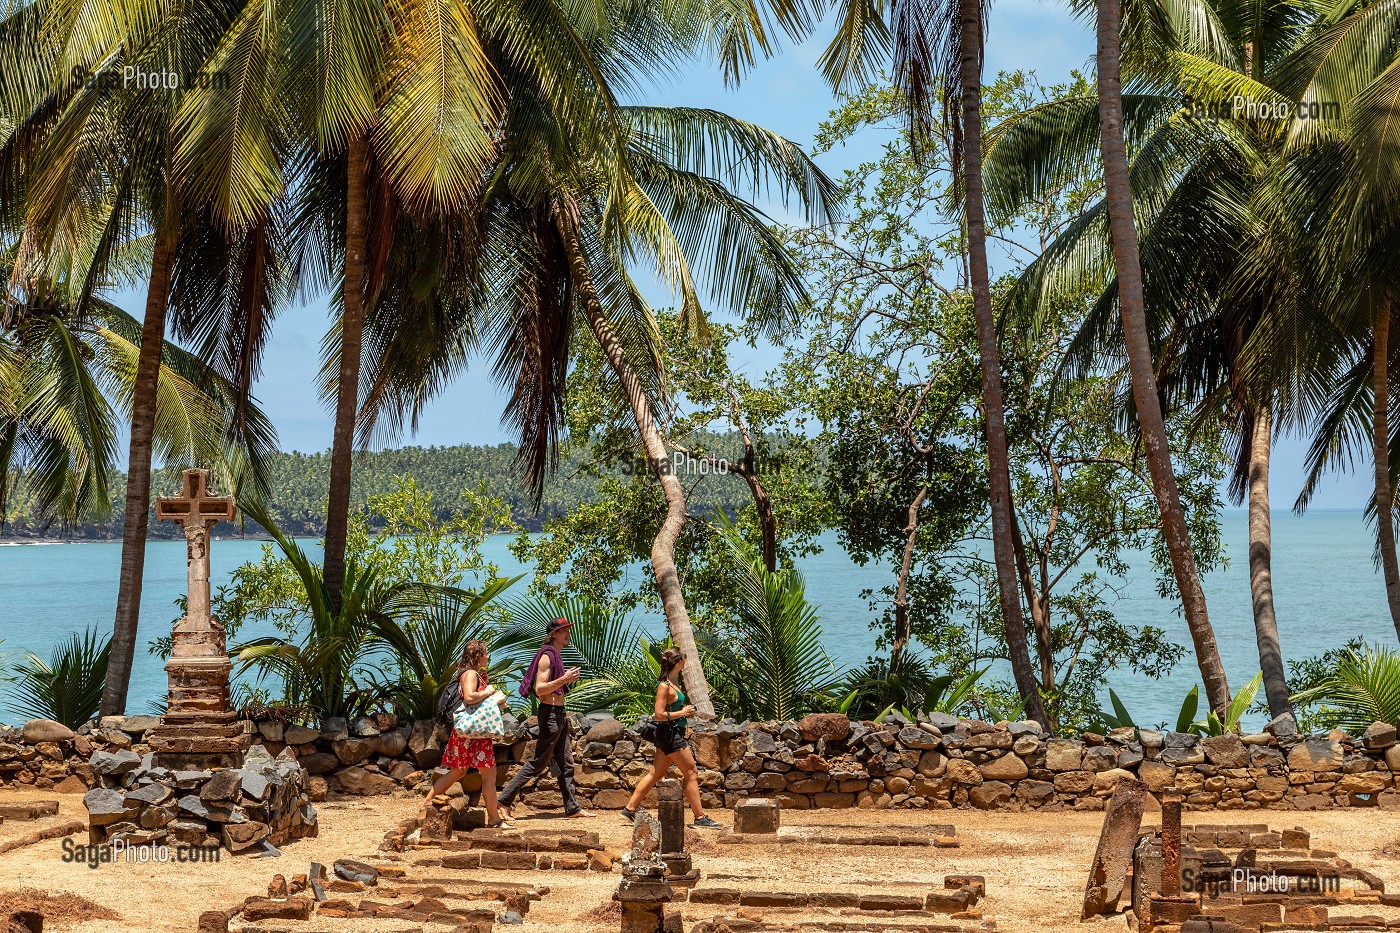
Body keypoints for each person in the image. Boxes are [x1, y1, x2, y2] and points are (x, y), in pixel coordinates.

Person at [498, 617, 595, 819]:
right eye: (564, 630)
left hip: (558, 713)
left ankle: (572, 808)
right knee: (538, 763)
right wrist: (565, 679)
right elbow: (540, 689)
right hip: (550, 713)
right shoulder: (547, 656)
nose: (568, 633)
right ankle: (503, 800)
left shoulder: (556, 655)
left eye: (568, 629)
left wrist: (565, 678)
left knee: (566, 762)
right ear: (553, 634)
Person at [620, 647, 722, 828]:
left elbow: (672, 710)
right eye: (683, 656)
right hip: (670, 734)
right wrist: (682, 712)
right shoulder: (664, 686)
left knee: (656, 773)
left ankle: (630, 809)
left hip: (672, 733)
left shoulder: (674, 682)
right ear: (678, 662)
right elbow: (658, 714)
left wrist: (683, 714)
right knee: (691, 773)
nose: (685, 658)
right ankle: (700, 817)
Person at [421, 640, 512, 828]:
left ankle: (425, 805)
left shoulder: (467, 673)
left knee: (459, 771)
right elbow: (470, 697)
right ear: (478, 655)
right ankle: (494, 819)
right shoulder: (470, 673)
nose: (488, 656)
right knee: (488, 775)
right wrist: (488, 692)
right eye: (485, 653)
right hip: (474, 734)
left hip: (468, 733)